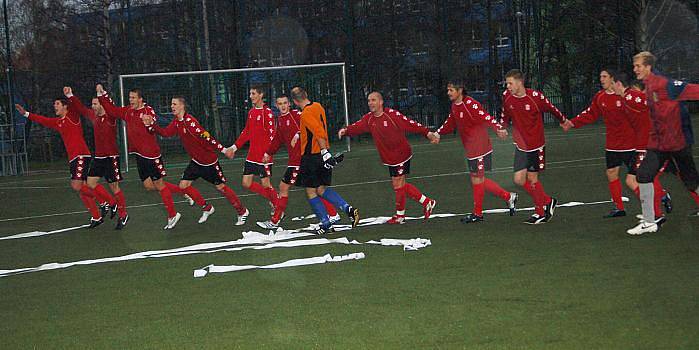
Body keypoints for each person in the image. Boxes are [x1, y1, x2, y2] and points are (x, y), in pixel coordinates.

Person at [97, 84, 208, 230]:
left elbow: (152, 121)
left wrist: (150, 121)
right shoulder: (128, 111)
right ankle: (183, 192)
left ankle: (172, 215)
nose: (131, 100)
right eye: (129, 97)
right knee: (149, 186)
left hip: (151, 155)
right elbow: (112, 110)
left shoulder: (147, 110)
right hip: (139, 155)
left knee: (160, 185)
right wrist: (102, 95)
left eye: (133, 98)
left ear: (140, 99)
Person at [562, 70, 670, 218]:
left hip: (632, 145)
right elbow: (590, 113)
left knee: (639, 178)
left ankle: (657, 204)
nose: (601, 79)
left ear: (614, 80)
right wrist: (572, 123)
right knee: (612, 173)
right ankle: (620, 208)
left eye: (604, 76)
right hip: (613, 145)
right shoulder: (600, 97)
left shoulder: (628, 96)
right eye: (600, 76)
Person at [141, 96, 249, 225]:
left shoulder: (190, 123)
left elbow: (206, 137)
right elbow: (166, 133)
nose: (172, 106)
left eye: (174, 104)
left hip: (209, 162)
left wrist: (224, 150)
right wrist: (151, 125)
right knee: (183, 186)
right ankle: (207, 208)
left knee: (221, 187)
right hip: (196, 162)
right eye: (171, 104)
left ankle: (242, 211)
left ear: (182, 106)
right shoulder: (177, 121)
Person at [338, 91, 438, 224]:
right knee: (399, 185)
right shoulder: (369, 118)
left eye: (373, 100)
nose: (370, 103)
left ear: (381, 102)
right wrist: (346, 130)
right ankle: (427, 202)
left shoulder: (391, 115)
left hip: (401, 154)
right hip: (389, 157)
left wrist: (427, 133)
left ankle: (400, 216)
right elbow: (358, 126)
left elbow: (410, 124)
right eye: (369, 101)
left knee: (398, 185)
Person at [627, 51, 699, 235]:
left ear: (648, 66)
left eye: (638, 66)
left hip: (678, 144)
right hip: (659, 145)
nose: (635, 70)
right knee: (643, 175)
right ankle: (650, 222)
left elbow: (694, 90)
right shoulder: (648, 86)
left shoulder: (665, 84)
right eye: (634, 66)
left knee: (691, 183)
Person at [15, 100, 110, 228]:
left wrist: (70, 96)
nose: (55, 106)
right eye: (54, 104)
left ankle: (104, 201)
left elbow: (76, 106)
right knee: (83, 188)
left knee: (77, 186)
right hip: (73, 158)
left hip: (81, 155)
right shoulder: (58, 122)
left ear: (65, 106)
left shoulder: (73, 117)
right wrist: (25, 113)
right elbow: (43, 120)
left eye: (57, 104)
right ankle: (96, 216)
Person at [435, 80, 517, 223]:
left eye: (451, 90)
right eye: (448, 90)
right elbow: (450, 122)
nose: (448, 93)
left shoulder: (470, 104)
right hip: (471, 147)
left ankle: (478, 214)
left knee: (477, 179)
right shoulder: (455, 106)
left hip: (480, 146)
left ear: (460, 90)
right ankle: (509, 197)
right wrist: (438, 133)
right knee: (478, 180)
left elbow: (485, 116)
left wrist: (498, 128)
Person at [256, 95, 339, 229]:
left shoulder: (296, 115)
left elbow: (310, 125)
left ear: (289, 104)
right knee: (315, 188)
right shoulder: (280, 120)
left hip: (301, 160)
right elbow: (278, 139)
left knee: (285, 187)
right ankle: (333, 213)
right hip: (296, 161)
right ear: (276, 106)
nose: (283, 106)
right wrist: (268, 153)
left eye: (285, 103)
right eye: (279, 104)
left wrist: (298, 134)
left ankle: (275, 221)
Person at [501, 69, 569, 224]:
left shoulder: (535, 97)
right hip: (520, 146)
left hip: (535, 146)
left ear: (520, 82)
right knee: (519, 180)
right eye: (507, 84)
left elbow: (552, 109)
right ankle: (548, 201)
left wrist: (563, 120)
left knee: (532, 179)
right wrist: (502, 126)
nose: (508, 87)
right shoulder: (507, 97)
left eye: (511, 83)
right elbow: (505, 113)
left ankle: (539, 212)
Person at [291, 86, 359, 234]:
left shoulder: (305, 114)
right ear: (306, 94)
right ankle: (349, 210)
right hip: (323, 154)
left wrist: (323, 152)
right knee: (321, 188)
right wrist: (326, 152)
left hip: (312, 156)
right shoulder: (318, 106)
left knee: (311, 191)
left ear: (295, 102)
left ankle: (326, 224)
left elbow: (318, 131)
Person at [64, 87, 129, 229]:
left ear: (101, 104)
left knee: (114, 187)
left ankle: (123, 215)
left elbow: (109, 105)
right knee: (90, 183)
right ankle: (110, 203)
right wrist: (70, 95)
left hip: (111, 157)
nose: (93, 107)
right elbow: (81, 109)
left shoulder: (110, 117)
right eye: (92, 104)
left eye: (95, 104)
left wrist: (102, 94)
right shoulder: (94, 117)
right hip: (99, 158)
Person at [224, 86, 278, 217]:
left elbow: (273, 135)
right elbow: (246, 132)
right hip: (252, 155)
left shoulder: (268, 113)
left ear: (261, 95)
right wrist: (234, 147)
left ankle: (277, 206)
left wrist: (268, 153)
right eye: (250, 93)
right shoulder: (252, 112)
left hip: (264, 156)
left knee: (266, 184)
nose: (251, 96)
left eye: (253, 93)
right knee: (246, 183)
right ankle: (275, 200)